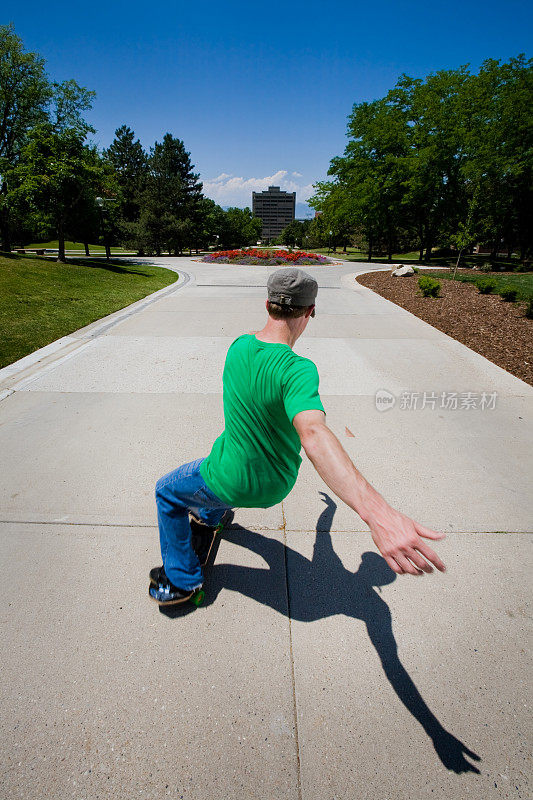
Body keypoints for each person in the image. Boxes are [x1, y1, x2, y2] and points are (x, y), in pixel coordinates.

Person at [149, 267, 445, 605]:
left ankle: (181, 581)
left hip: (229, 478)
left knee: (167, 492)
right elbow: (313, 431)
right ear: (310, 311)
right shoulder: (299, 370)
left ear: (267, 305)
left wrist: (377, 512)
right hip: (275, 485)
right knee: (221, 461)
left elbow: (315, 434)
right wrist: (351, 513)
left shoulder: (238, 346)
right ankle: (210, 514)